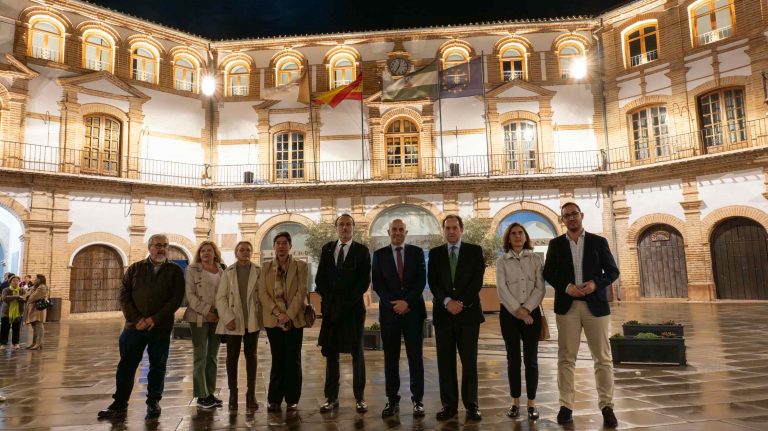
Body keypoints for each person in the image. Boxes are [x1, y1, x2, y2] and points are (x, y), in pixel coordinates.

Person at [543, 202, 620, 428]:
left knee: (602, 358)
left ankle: (607, 406)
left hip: (595, 306)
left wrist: (596, 284)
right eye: (566, 215)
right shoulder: (556, 244)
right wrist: (566, 287)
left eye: (574, 214)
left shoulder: (598, 242)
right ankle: (566, 405)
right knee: (566, 358)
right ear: (562, 220)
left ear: (581, 215)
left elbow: (613, 271)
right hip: (567, 308)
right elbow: (548, 273)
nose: (571, 218)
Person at [97, 234, 185, 421]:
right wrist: (137, 319)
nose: (162, 249)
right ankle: (119, 403)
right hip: (133, 327)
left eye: (165, 245)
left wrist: (154, 319)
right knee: (126, 366)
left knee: (158, 366)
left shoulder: (174, 270)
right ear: (149, 247)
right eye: (158, 245)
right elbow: (124, 295)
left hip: (160, 328)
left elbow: (176, 299)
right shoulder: (135, 268)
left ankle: (153, 401)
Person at [428, 215, 485, 422]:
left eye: (454, 227)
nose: (451, 231)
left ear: (461, 229)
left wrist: (460, 303)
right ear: (443, 230)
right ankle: (449, 405)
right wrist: (447, 302)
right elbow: (433, 282)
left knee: (469, 362)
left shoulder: (474, 251)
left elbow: (477, 281)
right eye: (447, 228)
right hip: (443, 316)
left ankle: (472, 405)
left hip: (468, 315)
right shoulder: (435, 253)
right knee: (445, 362)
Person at [315, 214, 371, 413]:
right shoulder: (327, 249)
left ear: (353, 228)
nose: (345, 227)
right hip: (331, 311)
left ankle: (360, 398)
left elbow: (363, 282)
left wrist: (345, 303)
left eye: (348, 224)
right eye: (341, 224)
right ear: (336, 227)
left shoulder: (362, 251)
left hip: (353, 311)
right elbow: (320, 279)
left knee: (357, 354)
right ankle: (331, 398)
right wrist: (332, 302)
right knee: (331, 354)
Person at [371, 219, 426, 418]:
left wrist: (407, 302)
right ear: (388, 232)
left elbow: (421, 280)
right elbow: (377, 283)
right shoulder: (379, 255)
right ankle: (392, 400)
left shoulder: (417, 252)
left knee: (415, 358)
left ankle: (418, 400)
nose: (397, 232)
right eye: (394, 229)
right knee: (390, 359)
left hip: (413, 313)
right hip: (390, 314)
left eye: (400, 229)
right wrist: (393, 304)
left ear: (406, 232)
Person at [496, 222, 545, 420]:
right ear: (508, 238)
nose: (517, 236)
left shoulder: (535, 259)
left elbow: (540, 288)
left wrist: (527, 309)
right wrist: (518, 311)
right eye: (513, 233)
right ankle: (515, 402)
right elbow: (501, 289)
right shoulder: (501, 261)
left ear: (525, 237)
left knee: (531, 360)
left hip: (531, 313)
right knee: (513, 360)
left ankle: (531, 403)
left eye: (520, 233)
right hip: (509, 315)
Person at [258, 232, 308, 413]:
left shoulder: (300, 266)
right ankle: (274, 399)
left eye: (285, 243)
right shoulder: (265, 267)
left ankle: (292, 399)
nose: (281, 246)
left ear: (290, 246)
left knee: (293, 359)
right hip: (274, 320)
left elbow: (301, 291)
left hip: (294, 320)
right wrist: (278, 313)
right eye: (278, 243)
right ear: (274, 246)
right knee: (277, 358)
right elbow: (262, 292)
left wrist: (289, 314)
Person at [216, 240, 263, 413]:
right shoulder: (228, 272)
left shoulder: (259, 271)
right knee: (232, 358)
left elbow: (263, 294)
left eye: (248, 250)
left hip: (252, 320)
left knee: (252, 356)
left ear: (251, 252)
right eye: (242, 250)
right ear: (236, 253)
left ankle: (251, 394)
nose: (245, 252)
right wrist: (227, 318)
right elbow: (220, 298)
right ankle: (233, 394)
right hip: (233, 320)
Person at [184, 240, 225, 409]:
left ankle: (210, 392)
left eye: (209, 250)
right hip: (199, 317)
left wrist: (220, 313)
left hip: (217, 317)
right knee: (200, 356)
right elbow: (190, 295)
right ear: (199, 254)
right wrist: (207, 311)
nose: (206, 253)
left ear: (215, 253)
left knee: (213, 357)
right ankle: (201, 396)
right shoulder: (192, 270)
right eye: (202, 251)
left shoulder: (221, 270)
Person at [22, 274, 48, 350]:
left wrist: (26, 297)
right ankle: (34, 343)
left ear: (40, 280)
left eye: (36, 279)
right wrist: (25, 296)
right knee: (34, 327)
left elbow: (32, 297)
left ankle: (38, 343)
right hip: (33, 309)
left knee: (39, 327)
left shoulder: (42, 287)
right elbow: (27, 294)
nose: (34, 280)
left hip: (38, 310)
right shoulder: (35, 287)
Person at [1, 275, 24, 350]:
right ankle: (3, 343)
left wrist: (23, 299)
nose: (16, 282)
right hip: (6, 312)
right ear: (10, 282)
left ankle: (15, 343)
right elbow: (4, 298)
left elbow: (26, 298)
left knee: (16, 329)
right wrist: (17, 297)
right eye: (14, 281)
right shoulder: (6, 290)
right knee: (4, 328)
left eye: (17, 281)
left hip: (18, 312)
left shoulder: (21, 290)